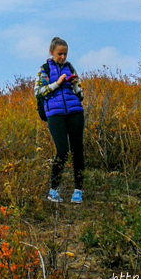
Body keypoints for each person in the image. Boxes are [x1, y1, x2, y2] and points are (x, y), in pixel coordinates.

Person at [35, 36, 85, 203]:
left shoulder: (70, 68)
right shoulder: (44, 70)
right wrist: (57, 83)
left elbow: (81, 95)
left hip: (75, 111)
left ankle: (78, 190)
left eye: (65, 54)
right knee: (62, 151)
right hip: (55, 114)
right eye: (60, 54)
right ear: (52, 52)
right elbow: (38, 92)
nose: (63, 57)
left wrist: (76, 85)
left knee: (78, 150)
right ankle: (53, 190)